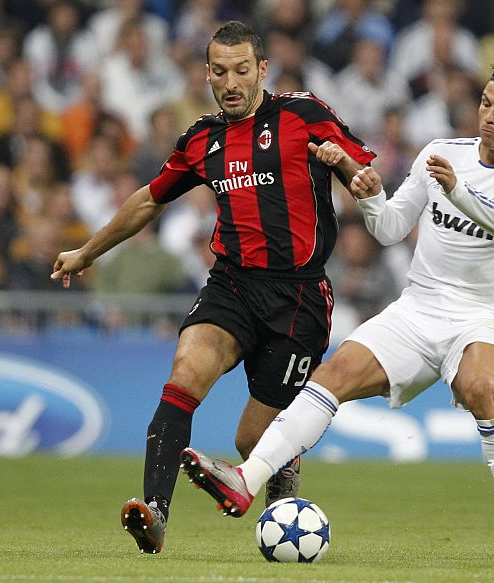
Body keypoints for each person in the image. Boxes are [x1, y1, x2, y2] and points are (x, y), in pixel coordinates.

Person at [181, 61, 494, 565]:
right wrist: (370, 194)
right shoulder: (443, 154)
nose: (488, 116)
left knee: (481, 388)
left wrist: (460, 192)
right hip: (419, 308)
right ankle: (245, 481)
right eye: (486, 103)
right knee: (331, 374)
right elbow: (390, 229)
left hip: (485, 319)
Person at [50, 21, 375, 554]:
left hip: (299, 299)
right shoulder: (203, 138)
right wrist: (87, 251)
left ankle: (281, 508)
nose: (231, 82)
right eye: (220, 72)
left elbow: (361, 167)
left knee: (254, 439)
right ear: (206, 74)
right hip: (232, 285)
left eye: (242, 70)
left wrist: (359, 177)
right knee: (185, 373)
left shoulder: (303, 115)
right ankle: (154, 515)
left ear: (262, 70)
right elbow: (150, 200)